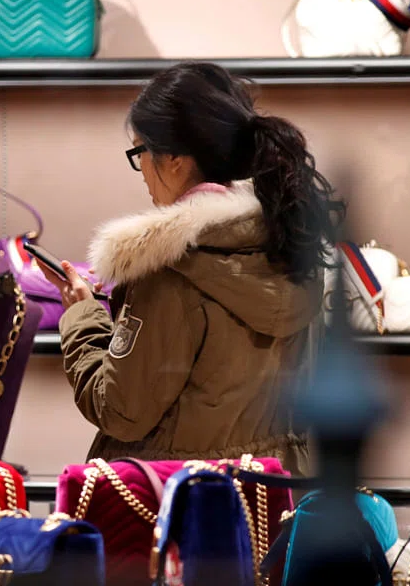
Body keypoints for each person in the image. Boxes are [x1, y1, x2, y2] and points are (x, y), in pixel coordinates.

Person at [37, 61, 344, 476]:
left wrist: (81, 315)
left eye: (140, 152)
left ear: (176, 158)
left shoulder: (170, 269)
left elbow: (121, 411)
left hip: (180, 498)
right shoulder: (292, 244)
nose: (142, 171)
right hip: (271, 494)